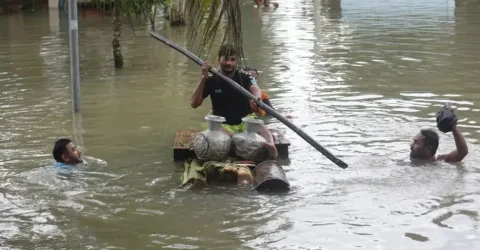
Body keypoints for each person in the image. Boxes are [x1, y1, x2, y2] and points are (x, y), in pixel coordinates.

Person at [190, 44, 278, 159]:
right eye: (225, 59)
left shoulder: (244, 76)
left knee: (264, 130)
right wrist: (203, 78)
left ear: (237, 61)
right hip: (223, 124)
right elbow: (194, 104)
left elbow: (255, 88)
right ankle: (239, 139)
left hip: (245, 120)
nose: (229, 63)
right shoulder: (211, 79)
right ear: (219, 60)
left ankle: (272, 148)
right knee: (222, 136)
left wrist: (257, 99)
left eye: (232, 59)